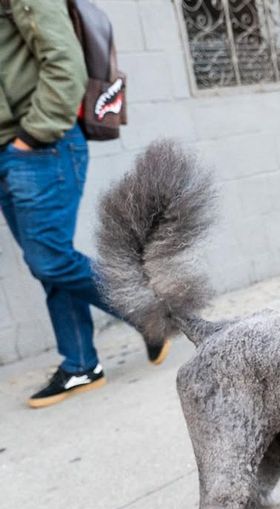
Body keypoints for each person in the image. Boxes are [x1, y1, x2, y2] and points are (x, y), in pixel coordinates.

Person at [0, 0, 167, 409]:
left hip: (41, 147)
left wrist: (32, 137)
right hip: (15, 149)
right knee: (50, 262)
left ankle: (145, 308)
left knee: (50, 260)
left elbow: (65, 62)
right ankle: (80, 365)